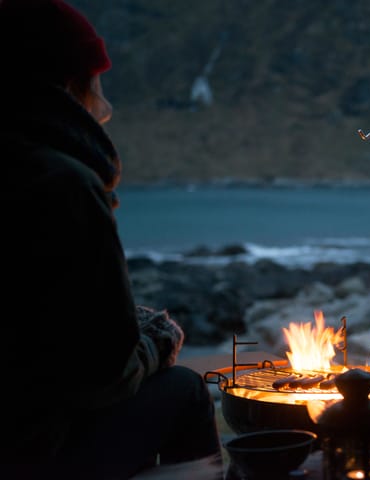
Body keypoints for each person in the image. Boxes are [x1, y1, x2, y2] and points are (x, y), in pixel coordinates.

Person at [0, 1, 222, 478]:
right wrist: (155, 342)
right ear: (68, 84)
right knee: (183, 388)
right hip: (29, 448)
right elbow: (103, 376)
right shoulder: (60, 182)